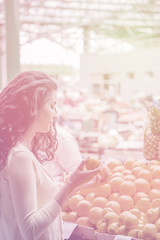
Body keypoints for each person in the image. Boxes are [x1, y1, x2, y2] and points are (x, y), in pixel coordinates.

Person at [0, 71, 100, 240]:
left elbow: (41, 202)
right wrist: (69, 185)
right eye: (52, 105)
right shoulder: (20, 157)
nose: (55, 113)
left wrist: (78, 184)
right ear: (32, 109)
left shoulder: (19, 151)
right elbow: (30, 231)